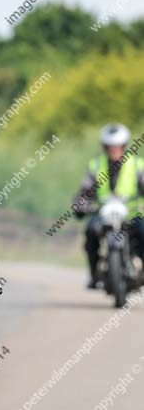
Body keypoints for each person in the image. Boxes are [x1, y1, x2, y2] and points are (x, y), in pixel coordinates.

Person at [73, 123, 144, 288]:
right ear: (104, 147)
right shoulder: (96, 165)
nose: (114, 150)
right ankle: (93, 274)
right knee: (91, 230)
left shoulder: (137, 165)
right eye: (110, 147)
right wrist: (80, 205)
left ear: (124, 146)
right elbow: (85, 191)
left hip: (132, 214)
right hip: (104, 215)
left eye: (118, 147)